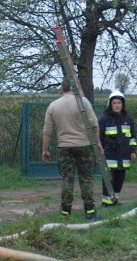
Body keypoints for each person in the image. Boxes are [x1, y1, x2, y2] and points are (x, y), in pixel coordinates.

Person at [42, 79, 103, 220]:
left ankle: (65, 212)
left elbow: (47, 131)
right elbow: (94, 125)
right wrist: (98, 143)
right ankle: (89, 211)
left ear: (62, 89)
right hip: (84, 145)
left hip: (64, 147)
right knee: (86, 178)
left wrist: (45, 150)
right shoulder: (83, 102)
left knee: (67, 179)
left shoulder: (53, 106)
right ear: (76, 87)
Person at [97, 91, 137, 206]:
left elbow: (132, 137)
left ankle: (115, 201)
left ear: (122, 104)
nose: (117, 105)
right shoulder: (104, 119)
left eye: (119, 103)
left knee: (119, 180)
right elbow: (99, 137)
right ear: (110, 104)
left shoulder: (128, 118)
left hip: (123, 156)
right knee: (108, 180)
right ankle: (106, 202)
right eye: (114, 103)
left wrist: (133, 151)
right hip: (109, 156)